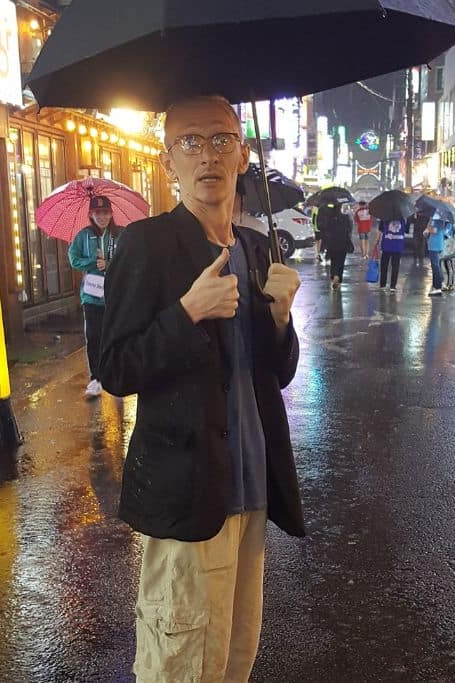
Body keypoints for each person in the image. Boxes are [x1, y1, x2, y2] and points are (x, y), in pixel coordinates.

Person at [98, 94, 304, 683]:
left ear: (243, 155)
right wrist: (186, 312)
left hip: (250, 485)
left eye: (221, 139)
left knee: (235, 655)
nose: (207, 155)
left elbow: (275, 373)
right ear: (169, 162)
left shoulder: (257, 249)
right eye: (189, 142)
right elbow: (115, 366)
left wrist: (281, 319)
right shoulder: (148, 245)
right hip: (188, 492)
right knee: (181, 661)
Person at [68, 194, 120, 398]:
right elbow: (73, 258)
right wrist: (92, 263)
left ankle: (114, 372)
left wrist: (108, 263)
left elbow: (128, 257)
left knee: (115, 335)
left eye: (105, 212)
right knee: (93, 336)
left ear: (111, 213)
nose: (102, 216)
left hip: (115, 295)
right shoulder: (83, 235)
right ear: (91, 214)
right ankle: (96, 378)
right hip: (91, 296)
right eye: (98, 213)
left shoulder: (119, 235)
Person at [319, 202, 354, 289]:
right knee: (341, 262)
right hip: (343, 242)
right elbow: (349, 229)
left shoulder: (329, 219)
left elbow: (325, 229)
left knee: (333, 261)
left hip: (332, 243)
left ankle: (334, 275)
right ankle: (338, 278)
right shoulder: (345, 218)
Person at [374, 215, 406, 293]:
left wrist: (376, 241)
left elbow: (380, 230)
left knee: (384, 266)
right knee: (395, 266)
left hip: (386, 245)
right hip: (398, 246)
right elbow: (406, 230)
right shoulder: (403, 218)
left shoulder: (384, 216)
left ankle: (383, 285)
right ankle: (393, 286)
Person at [425, 214, 454, 296]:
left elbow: (434, 230)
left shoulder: (438, 219)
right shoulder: (434, 218)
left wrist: (428, 228)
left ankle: (437, 287)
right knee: (436, 266)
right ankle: (438, 284)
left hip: (435, 245)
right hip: (434, 244)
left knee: (435, 266)